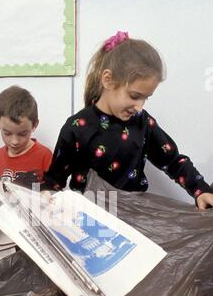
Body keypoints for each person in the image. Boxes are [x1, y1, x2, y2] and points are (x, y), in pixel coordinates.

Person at [43, 31, 213, 210]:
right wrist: (45, 196)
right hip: (89, 219)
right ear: (108, 80)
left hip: (135, 218)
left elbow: (173, 161)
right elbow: (54, 181)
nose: (139, 107)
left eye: (146, 98)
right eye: (134, 96)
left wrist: (200, 190)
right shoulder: (76, 128)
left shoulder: (143, 122)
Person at [0, 85, 52, 188]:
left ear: (34, 125)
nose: (15, 141)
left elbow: (54, 195)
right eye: (7, 133)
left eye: (22, 134)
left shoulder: (45, 156)